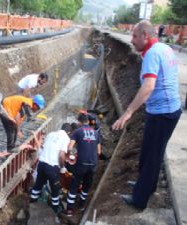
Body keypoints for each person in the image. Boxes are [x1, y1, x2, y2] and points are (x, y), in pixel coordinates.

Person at [112, 20, 182, 209]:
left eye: (134, 36)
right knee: (151, 153)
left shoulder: (151, 54)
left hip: (162, 112)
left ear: (145, 35)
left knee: (151, 156)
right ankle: (146, 187)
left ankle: (139, 200)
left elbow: (148, 86)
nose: (132, 40)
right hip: (168, 110)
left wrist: (128, 112)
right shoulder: (164, 48)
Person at [30, 123, 72, 220]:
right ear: (69, 132)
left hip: (42, 164)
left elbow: (44, 148)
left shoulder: (51, 134)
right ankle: (54, 212)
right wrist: (62, 167)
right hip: (52, 167)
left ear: (61, 128)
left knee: (37, 186)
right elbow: (61, 155)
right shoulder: (66, 138)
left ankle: (32, 204)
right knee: (55, 191)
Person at [64, 113, 101, 217]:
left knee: (74, 186)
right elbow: (99, 152)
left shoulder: (77, 131)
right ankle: (81, 205)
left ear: (79, 122)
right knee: (86, 186)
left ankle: (69, 210)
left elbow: (70, 147)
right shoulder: (96, 133)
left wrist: (68, 156)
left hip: (81, 164)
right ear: (88, 121)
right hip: (93, 164)